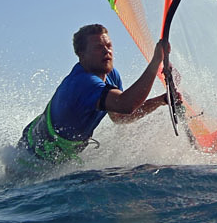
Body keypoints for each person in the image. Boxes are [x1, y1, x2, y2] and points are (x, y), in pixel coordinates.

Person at [11, 24, 167, 174]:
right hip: (31, 156)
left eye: (109, 45)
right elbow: (126, 104)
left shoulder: (111, 75)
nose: (106, 51)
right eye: (99, 48)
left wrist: (161, 100)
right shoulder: (83, 83)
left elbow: (120, 116)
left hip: (59, 153)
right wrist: (155, 62)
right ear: (82, 55)